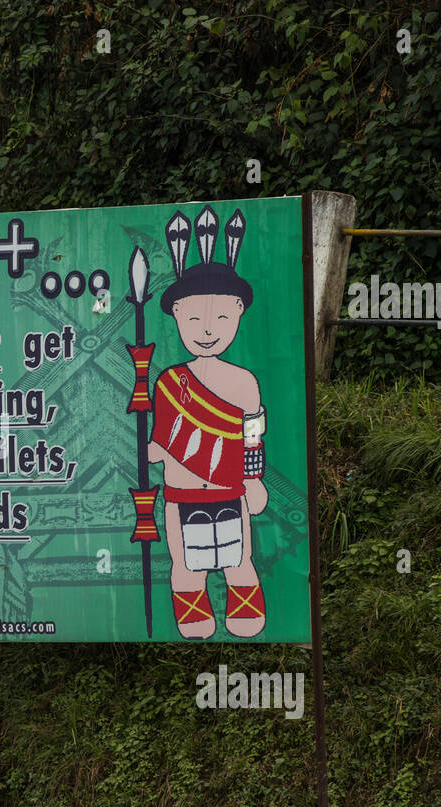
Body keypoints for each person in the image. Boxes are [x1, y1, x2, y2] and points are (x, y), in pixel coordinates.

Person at [147, 206, 268, 639]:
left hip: (230, 491)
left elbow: (251, 436)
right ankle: (195, 617)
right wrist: (154, 452)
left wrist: (253, 481)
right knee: (185, 563)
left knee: (238, 559)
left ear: (237, 313)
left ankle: (245, 611)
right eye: (194, 318)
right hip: (180, 494)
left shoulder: (243, 383)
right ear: (177, 316)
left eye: (220, 317)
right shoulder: (169, 381)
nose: (207, 329)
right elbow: (164, 439)